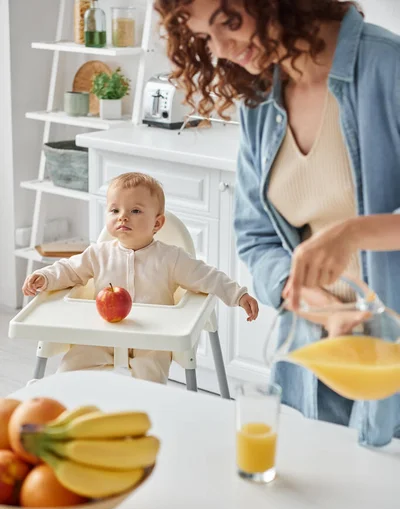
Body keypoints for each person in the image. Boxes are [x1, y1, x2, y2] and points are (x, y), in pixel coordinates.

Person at [155, 0, 400, 446]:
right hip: (313, 356)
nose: (223, 50)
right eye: (206, 39)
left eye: (228, 23)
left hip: (392, 358)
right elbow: (256, 236)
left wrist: (352, 233)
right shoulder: (261, 99)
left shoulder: (390, 67)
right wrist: (305, 295)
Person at [23, 172, 259, 384]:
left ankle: (144, 418)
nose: (123, 217)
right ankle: (69, 413)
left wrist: (238, 295)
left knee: (150, 379)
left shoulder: (171, 258)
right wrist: (45, 276)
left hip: (152, 339)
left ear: (157, 223)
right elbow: (68, 270)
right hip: (102, 335)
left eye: (135, 211)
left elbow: (206, 276)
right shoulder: (98, 253)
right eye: (115, 210)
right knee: (70, 370)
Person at [286, 214, 400, 309]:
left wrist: (353, 232)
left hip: (392, 315)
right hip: (316, 324)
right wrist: (323, 303)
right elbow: (269, 242)